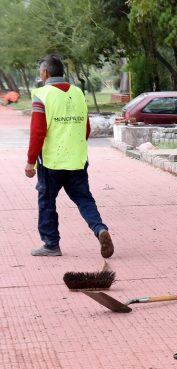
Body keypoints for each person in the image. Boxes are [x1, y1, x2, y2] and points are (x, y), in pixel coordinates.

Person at [25, 55, 113, 258]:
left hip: (51, 163)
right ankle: (100, 228)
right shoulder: (78, 93)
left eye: (41, 71)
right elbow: (86, 128)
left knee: (47, 202)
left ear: (45, 73)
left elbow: (38, 132)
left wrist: (30, 162)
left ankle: (51, 245)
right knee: (84, 199)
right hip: (77, 160)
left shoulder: (42, 94)